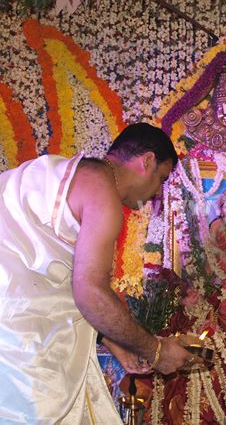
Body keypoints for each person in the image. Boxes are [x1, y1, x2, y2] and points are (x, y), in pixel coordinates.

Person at [0, 122, 196, 423]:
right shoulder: (101, 188)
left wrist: (114, 341)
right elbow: (89, 292)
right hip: (19, 342)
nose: (158, 191)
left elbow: (53, 279)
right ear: (147, 161)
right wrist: (157, 351)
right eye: (161, 178)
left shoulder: (64, 173)